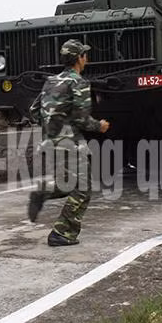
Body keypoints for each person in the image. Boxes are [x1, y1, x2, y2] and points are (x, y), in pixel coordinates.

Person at [27, 39, 110, 246]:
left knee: (68, 183)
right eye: (84, 55)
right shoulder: (79, 83)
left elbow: (34, 111)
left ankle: (43, 192)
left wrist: (52, 127)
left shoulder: (51, 81)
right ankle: (62, 233)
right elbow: (82, 119)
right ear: (79, 59)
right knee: (83, 188)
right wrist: (99, 126)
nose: (86, 59)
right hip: (70, 144)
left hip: (50, 142)